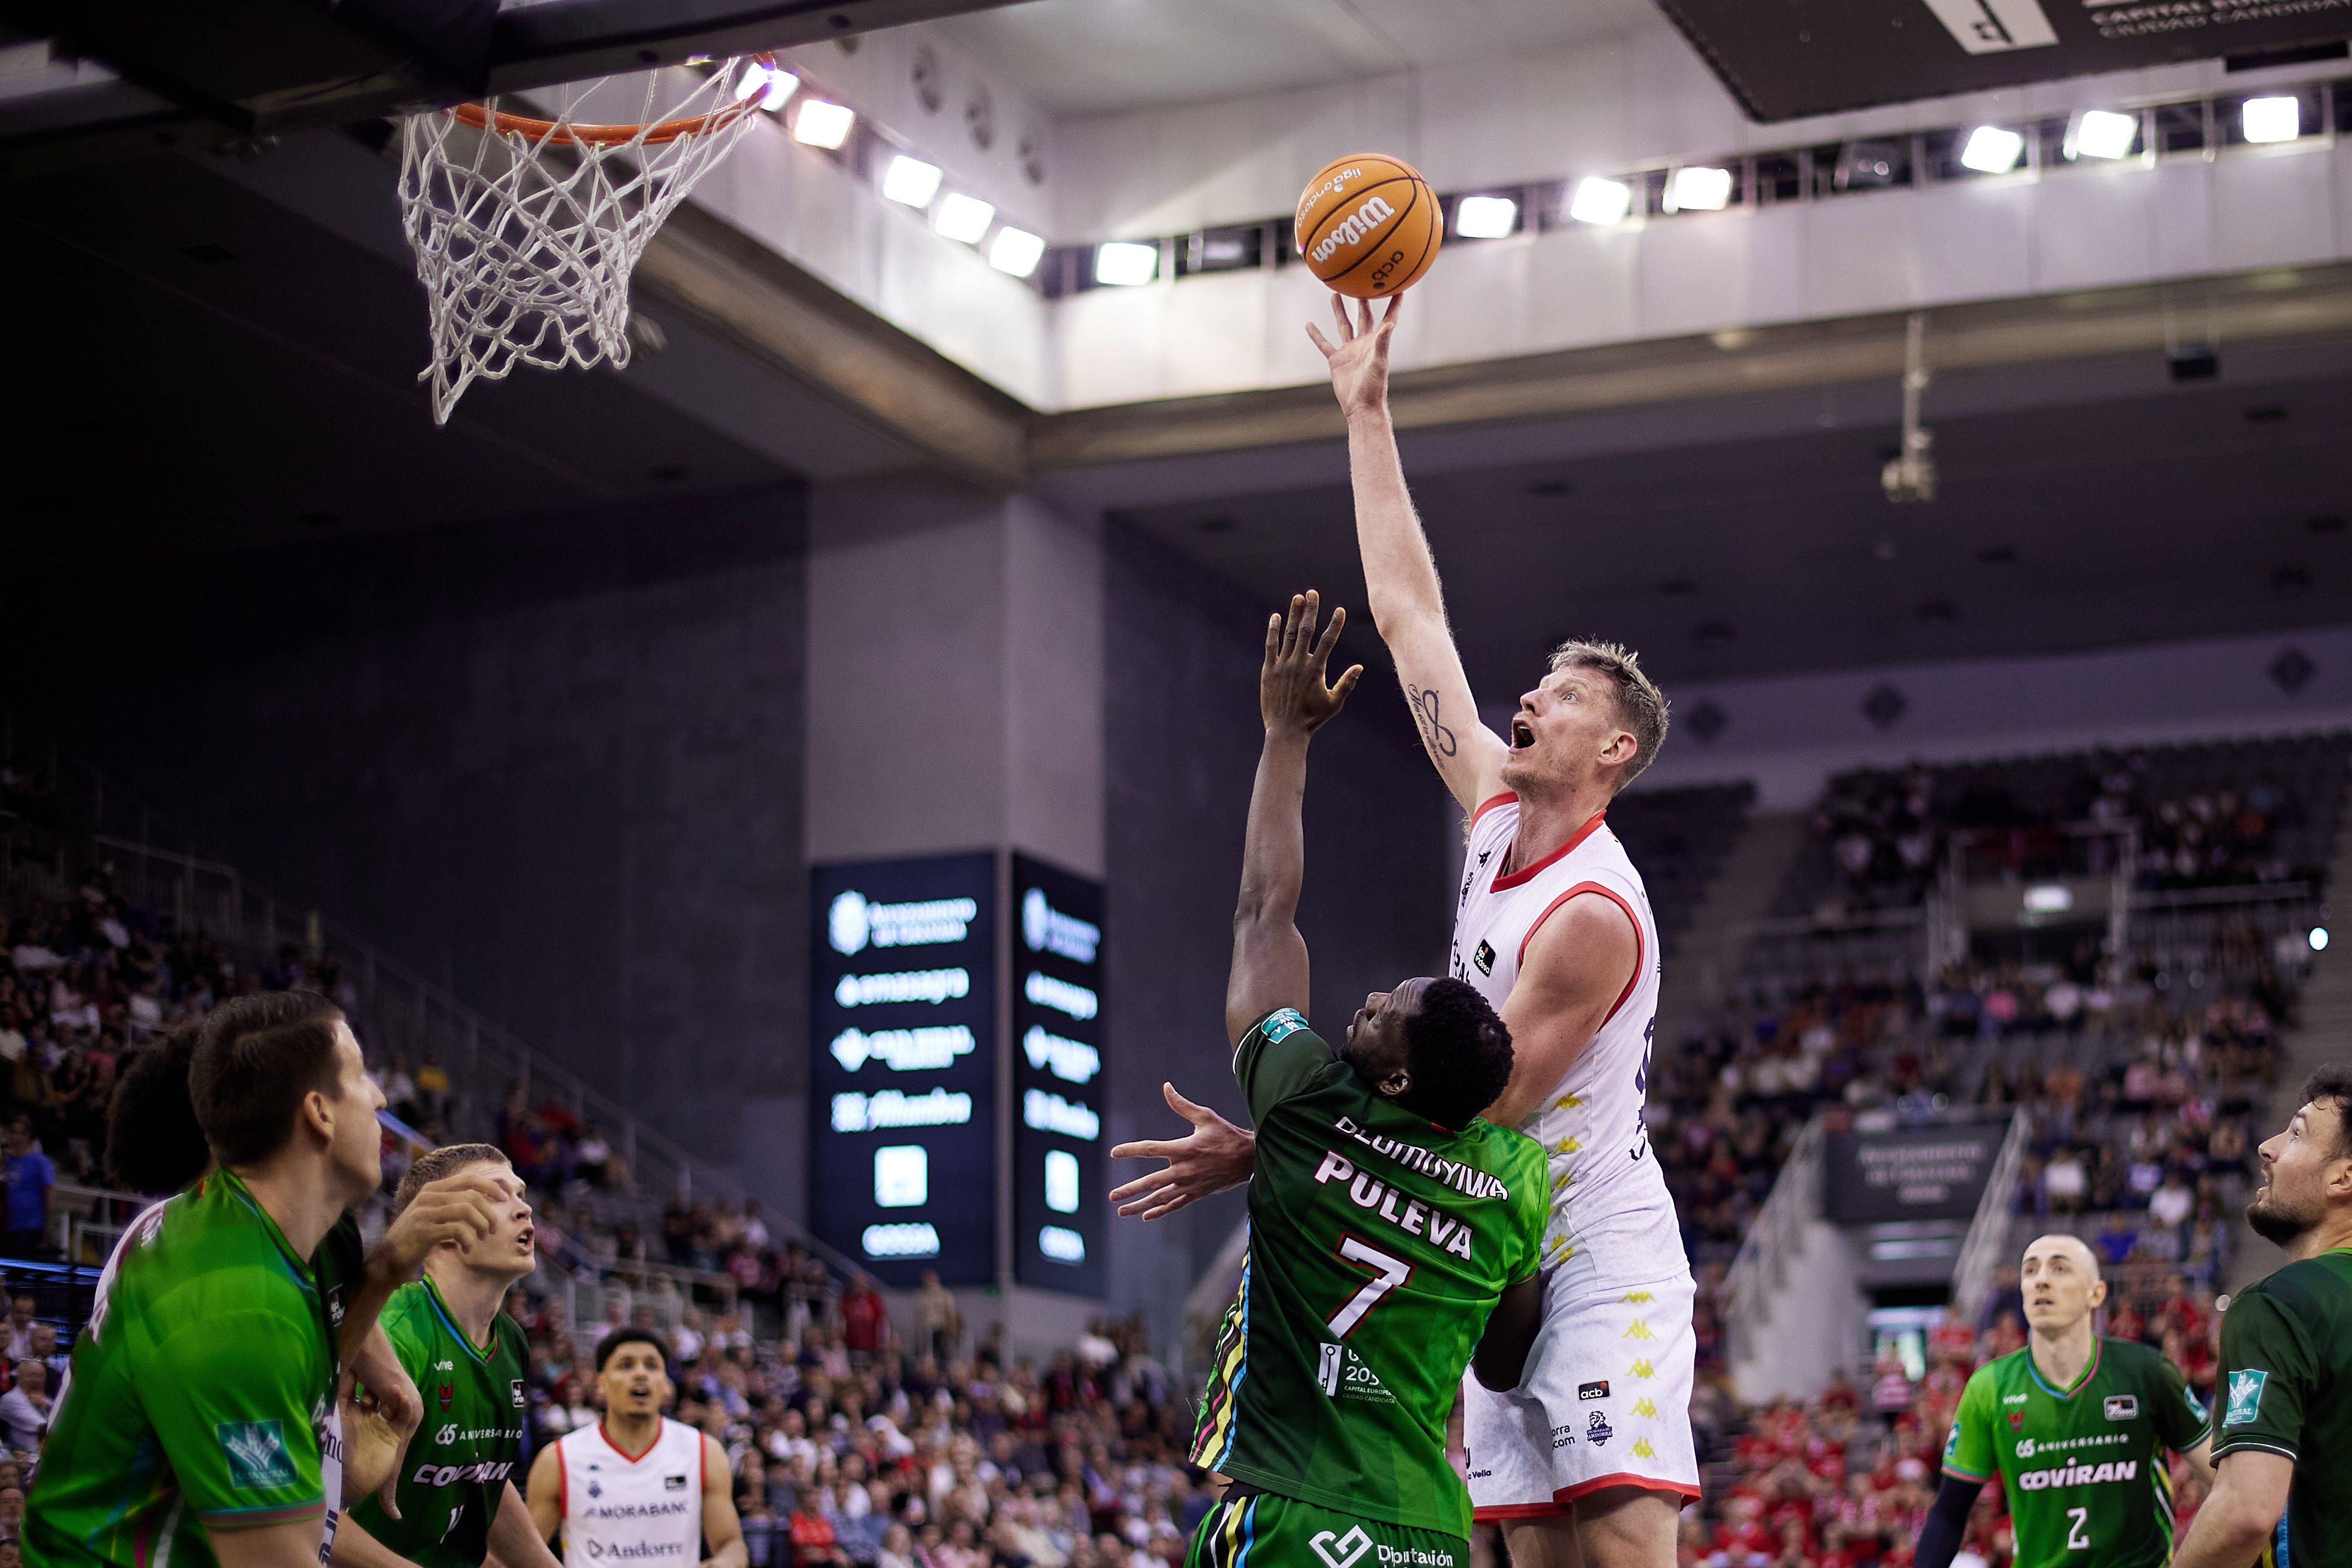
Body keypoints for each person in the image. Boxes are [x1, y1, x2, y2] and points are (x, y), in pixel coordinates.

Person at [1112, 301, 1699, 1568]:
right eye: (1536, 679)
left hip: (1581, 1234)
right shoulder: (1495, 812)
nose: (1526, 694)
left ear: (1613, 751)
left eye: (1563, 693)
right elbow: (1405, 614)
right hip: (1478, 1223)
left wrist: (1290, 1145)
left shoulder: (1591, 913)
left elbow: (1483, 1104)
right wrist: (1363, 412)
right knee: (1519, 1553)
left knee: (1616, 1543)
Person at [1165, 593, 1548, 1568]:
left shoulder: (1303, 1101)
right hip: (1427, 1533)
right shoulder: (1512, 1174)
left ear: (1398, 1070)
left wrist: (1284, 736)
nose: (1370, 997)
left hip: (1295, 1515)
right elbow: (1504, 1361)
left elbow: (1263, 911)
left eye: (1389, 1006)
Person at [28, 993, 501, 1568]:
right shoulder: (229, 1303)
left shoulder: (312, 1238)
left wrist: (381, 1279)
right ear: (314, 1112)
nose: (380, 1097)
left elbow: (327, 1373)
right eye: (357, 1076)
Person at [1915, 1233, 2212, 1568]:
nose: (2041, 1280)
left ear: (2096, 1293)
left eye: (2059, 1269)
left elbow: (2226, 1483)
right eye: (2030, 1271)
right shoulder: (1989, 1386)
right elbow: (1949, 1514)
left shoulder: (2147, 1371)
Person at [336, 1144, 560, 1568]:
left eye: (521, 1193)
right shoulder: (394, 1334)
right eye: (496, 1195)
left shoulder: (511, 1340)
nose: (523, 1209)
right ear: (437, 1225)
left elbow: (476, 1472)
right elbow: (313, 1506)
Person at [2173, 1069, 2352, 1567]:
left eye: (2296, 1133)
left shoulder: (2278, 1304)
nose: (2266, 1148)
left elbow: (2245, 1512)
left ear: (2344, 1177)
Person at [525, 1328, 746, 1568]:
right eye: (626, 1365)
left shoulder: (704, 1452)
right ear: (601, 1383)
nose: (641, 1374)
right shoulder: (559, 1459)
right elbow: (522, 1553)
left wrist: (723, 1563)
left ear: (666, 1384)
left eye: (652, 1366)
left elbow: (730, 1543)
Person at [3, 1118, 53, 1258]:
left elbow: (49, 1191)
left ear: (26, 1136)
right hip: (12, 1225)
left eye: (15, 1132)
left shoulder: (39, 1162)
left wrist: (47, 1225)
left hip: (31, 1225)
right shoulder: (10, 1161)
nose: (11, 1136)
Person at [0, 1360, 46, 1456]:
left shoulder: (44, 1400)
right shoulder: (10, 1400)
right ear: (19, 1377)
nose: (36, 1380)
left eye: (40, 1376)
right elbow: (44, 1427)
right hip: (28, 1458)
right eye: (31, 1375)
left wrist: (47, 1406)